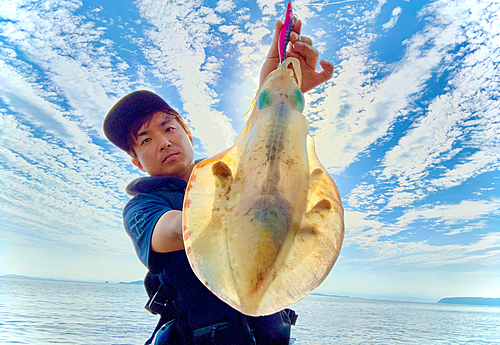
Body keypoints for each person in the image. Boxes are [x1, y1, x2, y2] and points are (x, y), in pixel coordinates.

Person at [103, 19, 333, 345]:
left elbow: (265, 142)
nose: (164, 142)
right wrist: (237, 208)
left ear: (188, 133)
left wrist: (280, 86)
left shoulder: (230, 172)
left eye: (168, 128)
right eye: (145, 140)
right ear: (137, 161)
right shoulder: (142, 208)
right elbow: (170, 231)